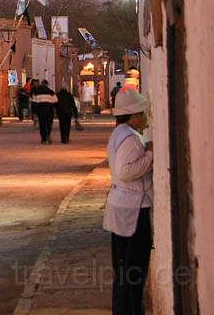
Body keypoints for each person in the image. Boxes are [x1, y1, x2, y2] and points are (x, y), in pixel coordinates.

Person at [103, 89, 153, 315]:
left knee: (123, 270)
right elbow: (125, 171)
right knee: (134, 270)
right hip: (133, 210)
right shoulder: (131, 138)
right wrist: (151, 156)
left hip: (122, 207)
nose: (146, 117)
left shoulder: (119, 133)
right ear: (132, 115)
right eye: (142, 112)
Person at [32, 80, 57, 144]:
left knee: (42, 125)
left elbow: (34, 103)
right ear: (47, 84)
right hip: (49, 111)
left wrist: (34, 112)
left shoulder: (36, 92)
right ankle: (48, 134)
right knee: (49, 124)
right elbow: (56, 102)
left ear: (42, 84)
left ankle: (43, 139)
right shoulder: (51, 92)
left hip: (40, 112)